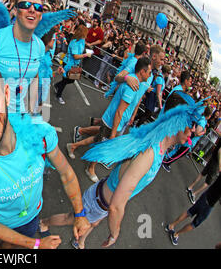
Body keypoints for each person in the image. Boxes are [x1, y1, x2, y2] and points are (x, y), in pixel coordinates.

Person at [0, 50, 90, 249]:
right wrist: (36, 244)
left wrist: (80, 213)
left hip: (33, 215)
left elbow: (66, 173)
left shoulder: (40, 134)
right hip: (1, 226)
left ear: (6, 94)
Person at [41, 91, 201, 249]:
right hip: (99, 202)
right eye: (191, 124)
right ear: (177, 120)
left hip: (102, 202)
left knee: (94, 223)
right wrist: (114, 234)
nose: (193, 130)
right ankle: (44, 223)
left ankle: (80, 242)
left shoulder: (159, 146)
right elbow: (116, 206)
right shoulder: (149, 154)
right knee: (71, 218)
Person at [67, 57, 152, 182]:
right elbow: (119, 111)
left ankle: (74, 144)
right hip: (113, 121)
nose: (150, 76)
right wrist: (113, 134)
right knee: (102, 144)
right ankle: (89, 166)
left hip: (115, 122)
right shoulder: (132, 86)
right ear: (142, 72)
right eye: (149, 72)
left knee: (98, 140)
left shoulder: (134, 81)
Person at [165, 174, 221, 246]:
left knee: (189, 212)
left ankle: (171, 225)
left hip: (205, 196)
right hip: (209, 205)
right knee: (194, 224)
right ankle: (176, 234)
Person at [53, 24, 92, 105]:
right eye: (85, 32)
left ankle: (57, 85)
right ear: (82, 33)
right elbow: (76, 56)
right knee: (65, 80)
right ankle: (58, 96)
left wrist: (87, 47)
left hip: (74, 64)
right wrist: (86, 55)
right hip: (68, 63)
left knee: (71, 80)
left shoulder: (82, 41)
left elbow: (81, 49)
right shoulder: (74, 42)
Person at [186, 138, 221, 204]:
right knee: (208, 182)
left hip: (214, 158)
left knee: (203, 173)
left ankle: (190, 187)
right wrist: (220, 165)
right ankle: (193, 194)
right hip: (216, 163)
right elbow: (220, 151)